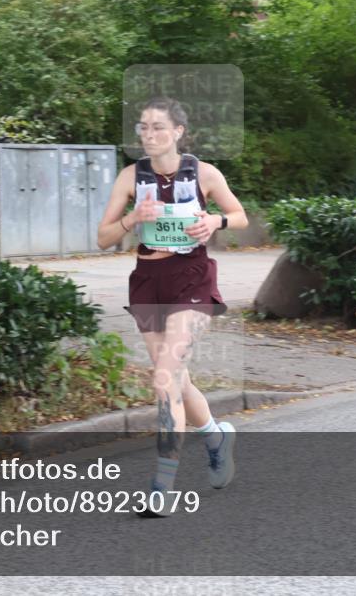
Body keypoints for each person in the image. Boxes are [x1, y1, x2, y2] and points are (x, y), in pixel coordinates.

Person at [97, 96, 248, 517]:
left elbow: (239, 216)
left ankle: (162, 486)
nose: (148, 135)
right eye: (143, 127)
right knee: (175, 380)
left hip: (191, 280)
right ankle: (216, 437)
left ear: (178, 132)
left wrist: (214, 221)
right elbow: (103, 238)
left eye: (157, 127)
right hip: (148, 282)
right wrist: (132, 219)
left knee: (164, 377)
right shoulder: (130, 177)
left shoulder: (205, 174)